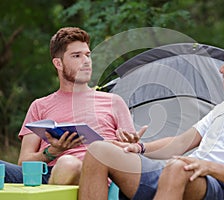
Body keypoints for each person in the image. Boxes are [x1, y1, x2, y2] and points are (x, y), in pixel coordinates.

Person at [78, 32, 224, 200]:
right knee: (100, 150)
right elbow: (179, 143)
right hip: (183, 174)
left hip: (221, 188)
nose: (221, 70)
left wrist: (208, 166)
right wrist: (140, 148)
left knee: (178, 167)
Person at [0, 27, 139, 185]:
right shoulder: (39, 106)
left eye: (88, 55)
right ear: (58, 63)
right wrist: (52, 152)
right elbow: (24, 162)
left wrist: (130, 144)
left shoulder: (114, 102)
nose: (86, 61)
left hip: (94, 176)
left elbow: (132, 159)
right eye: (76, 56)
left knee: (69, 164)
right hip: (47, 176)